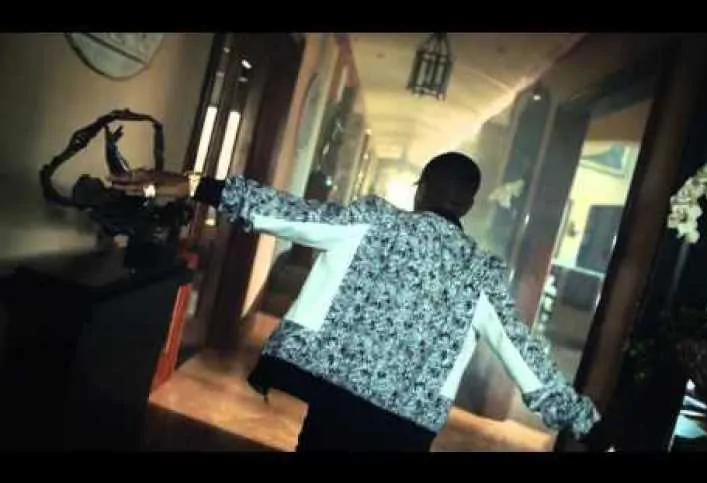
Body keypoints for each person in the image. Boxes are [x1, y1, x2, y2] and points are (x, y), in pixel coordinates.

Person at [110, 152, 600, 452]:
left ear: (421, 189)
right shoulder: (482, 272)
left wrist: (198, 185)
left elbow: (287, 213)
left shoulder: (373, 222)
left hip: (334, 398)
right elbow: (522, 351)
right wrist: (583, 422)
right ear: (468, 205)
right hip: (404, 426)